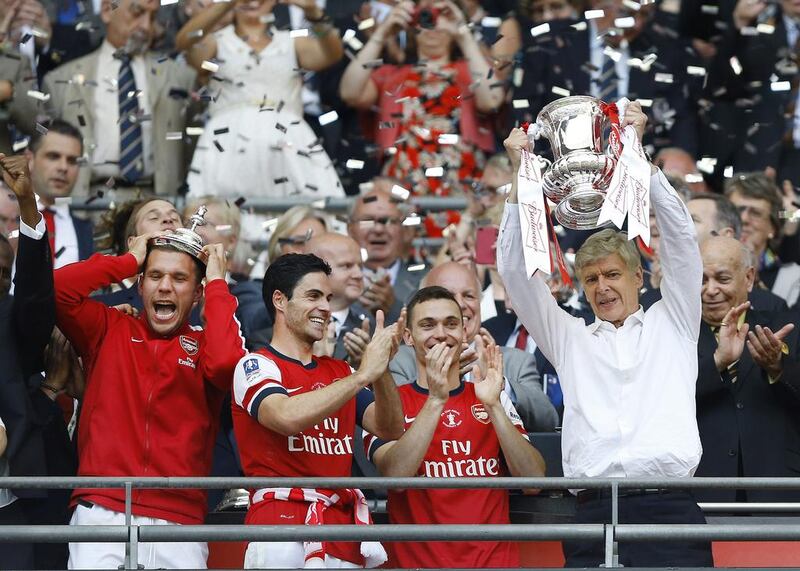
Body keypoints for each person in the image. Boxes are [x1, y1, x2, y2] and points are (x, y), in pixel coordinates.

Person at [498, 103, 713, 567]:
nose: (602, 287)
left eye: (613, 274)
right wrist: (520, 178)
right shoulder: (570, 338)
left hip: (669, 508)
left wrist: (641, 161)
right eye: (591, 279)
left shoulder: (674, 320)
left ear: (640, 277)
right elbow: (516, 274)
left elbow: (681, 245)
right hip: (591, 511)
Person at [54, 222, 246, 569]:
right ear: (140, 285)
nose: (165, 287)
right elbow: (58, 289)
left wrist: (218, 282)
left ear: (198, 292)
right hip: (103, 508)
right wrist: (127, 261)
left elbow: (226, 364)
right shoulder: (109, 327)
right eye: (155, 275)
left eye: (179, 278)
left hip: (180, 517)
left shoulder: (205, 345)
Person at [231, 253, 404, 569]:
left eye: (328, 297)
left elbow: (391, 429)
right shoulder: (255, 365)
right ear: (280, 301)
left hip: (341, 532)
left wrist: (382, 371)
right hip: (278, 529)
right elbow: (284, 416)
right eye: (313, 296)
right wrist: (363, 374)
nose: (325, 307)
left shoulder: (340, 371)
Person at [365, 285, 546, 568]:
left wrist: (495, 406)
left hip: (493, 564)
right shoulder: (388, 405)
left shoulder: (489, 396)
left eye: (451, 324)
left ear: (464, 332)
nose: (441, 333)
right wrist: (436, 400)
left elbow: (533, 481)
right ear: (408, 337)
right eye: (428, 325)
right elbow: (395, 476)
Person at [176, 0, 345, 200]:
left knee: (301, 212)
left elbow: (332, 54)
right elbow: (184, 42)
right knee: (222, 213)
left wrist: (313, 12)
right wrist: (227, 4)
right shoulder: (217, 42)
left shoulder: (291, 41)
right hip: (227, 142)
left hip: (287, 141)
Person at [339, 0, 501, 198]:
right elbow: (350, 93)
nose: (434, 21)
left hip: (463, 189)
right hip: (402, 191)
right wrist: (382, 33)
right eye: (425, 13)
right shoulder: (391, 75)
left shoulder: (471, 71)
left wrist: (462, 32)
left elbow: (492, 99)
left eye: (443, 12)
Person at [42, 0, 196, 198]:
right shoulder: (61, 80)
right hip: (85, 203)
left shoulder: (179, 77)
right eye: (137, 12)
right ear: (107, 10)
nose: (146, 26)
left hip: (156, 204)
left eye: (152, 16)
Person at [391, 261, 559, 432]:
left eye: (469, 296)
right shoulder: (401, 361)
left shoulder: (515, 361)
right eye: (445, 296)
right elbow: (393, 419)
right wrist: (442, 377)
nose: (460, 304)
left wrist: (498, 384)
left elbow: (548, 420)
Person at [695, 235, 800, 502]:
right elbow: (663, 403)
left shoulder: (785, 328)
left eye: (722, 278)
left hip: (777, 488)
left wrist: (777, 366)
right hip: (702, 490)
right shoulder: (674, 336)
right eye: (702, 279)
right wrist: (717, 363)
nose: (710, 289)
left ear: (749, 278)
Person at [0, 153, 54, 570]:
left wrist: (28, 207)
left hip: (8, 511)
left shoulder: (11, 321)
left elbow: (35, 297)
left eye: (4, 273)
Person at [347, 188, 427, 323]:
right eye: (368, 221)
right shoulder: (332, 279)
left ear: (405, 231)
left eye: (389, 221)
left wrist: (394, 308)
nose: (378, 229)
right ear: (350, 229)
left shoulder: (426, 280)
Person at [26, 119, 94, 268]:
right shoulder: (6, 219)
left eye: (72, 160)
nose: (63, 167)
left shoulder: (90, 233)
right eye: (53, 156)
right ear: (29, 160)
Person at [725, 173, 800, 306]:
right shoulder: (704, 269)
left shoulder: (793, 279)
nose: (744, 219)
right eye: (737, 211)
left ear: (773, 228)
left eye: (755, 213)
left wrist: (793, 216)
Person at [304, 232, 374, 366]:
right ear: (315, 270)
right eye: (347, 266)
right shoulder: (283, 328)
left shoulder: (372, 326)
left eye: (360, 266)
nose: (359, 274)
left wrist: (362, 366)